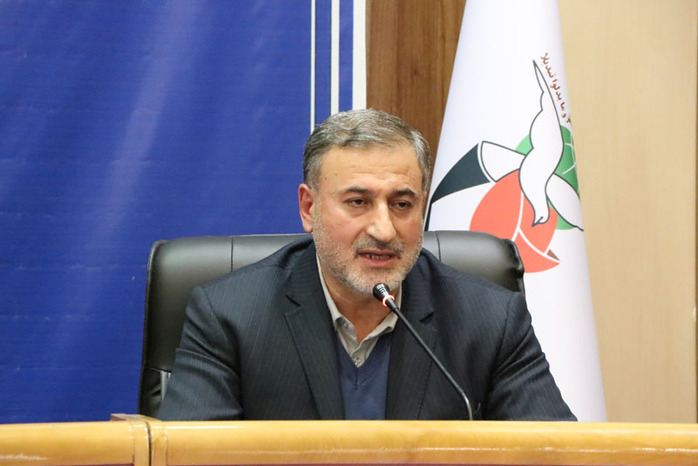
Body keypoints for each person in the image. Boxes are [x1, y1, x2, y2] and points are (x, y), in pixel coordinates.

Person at [157, 109, 576, 421]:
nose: (384, 229)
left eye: (402, 204)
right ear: (309, 207)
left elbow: (557, 456)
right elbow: (190, 457)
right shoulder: (230, 316)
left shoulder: (490, 319)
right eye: (358, 202)